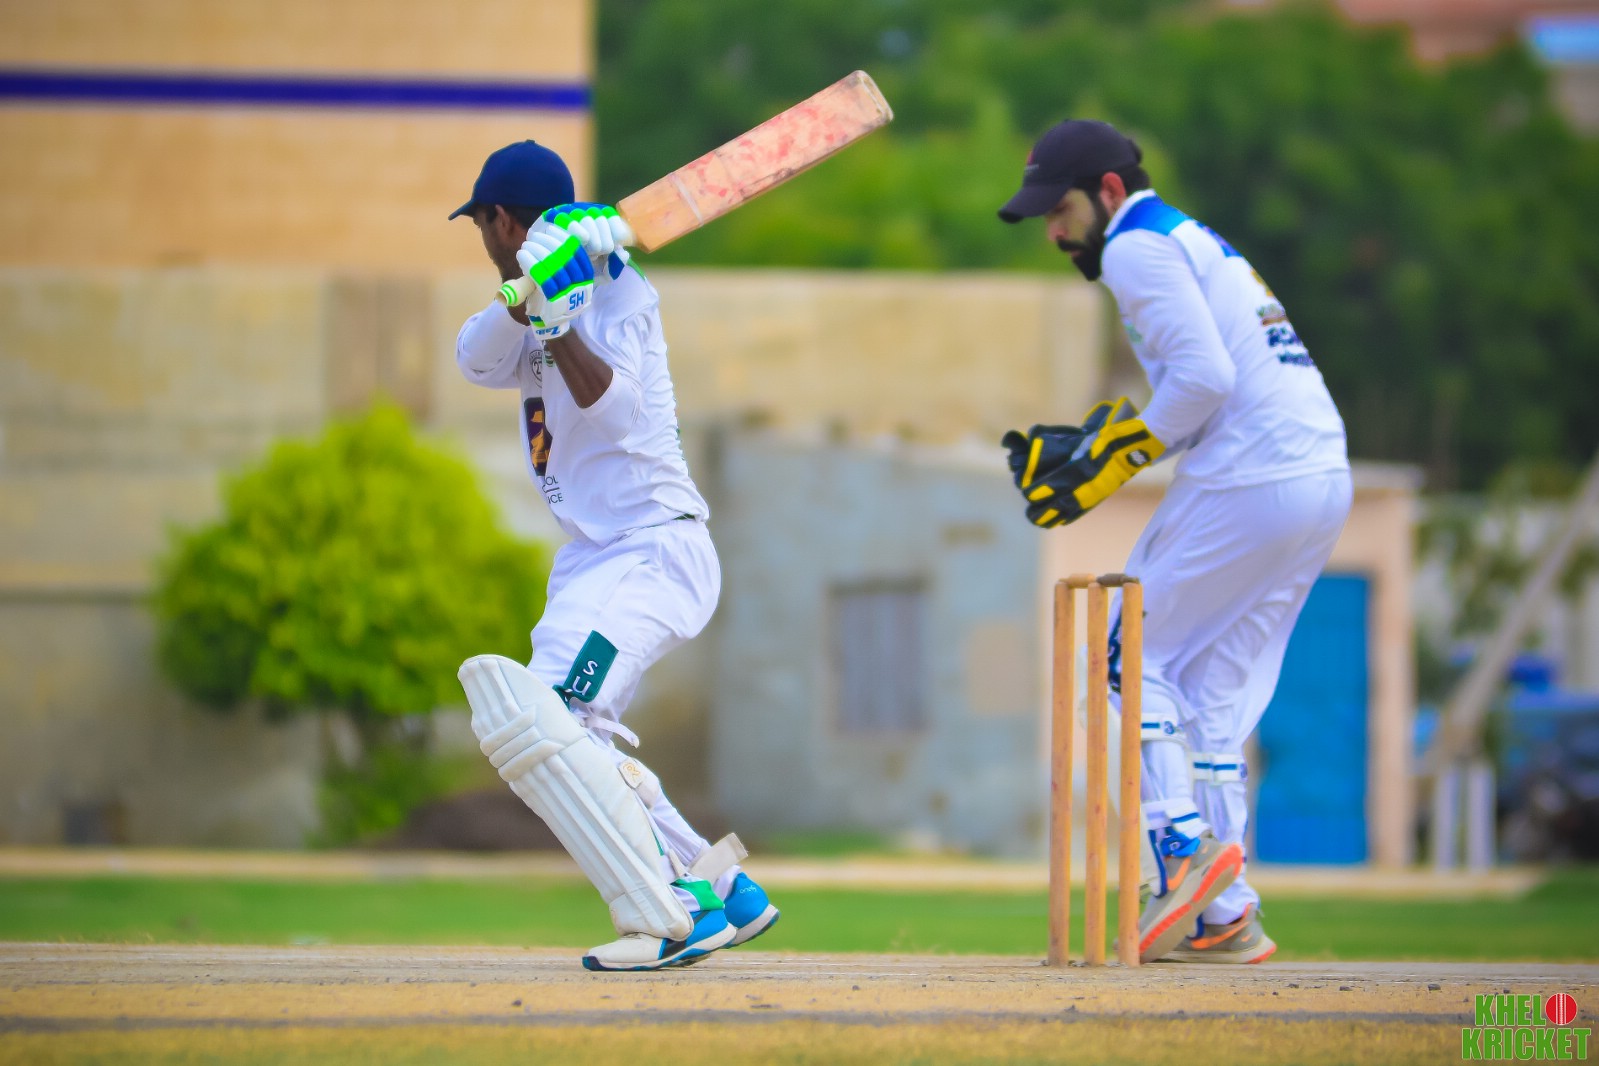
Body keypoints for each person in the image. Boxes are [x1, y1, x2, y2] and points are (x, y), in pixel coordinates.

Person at [997, 120, 1352, 964]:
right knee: (1209, 694)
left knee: (1122, 659)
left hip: (1252, 473)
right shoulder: (1188, 237)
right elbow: (1211, 384)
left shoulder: (1134, 246)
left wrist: (1114, 457)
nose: (1054, 233)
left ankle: (1182, 852)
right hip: (1316, 474)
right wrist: (1113, 443)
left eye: (1060, 211)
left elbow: (1204, 379)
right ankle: (1223, 913)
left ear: (1108, 191)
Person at [448, 141, 778, 971]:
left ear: (500, 219)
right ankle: (719, 884)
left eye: (481, 226)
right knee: (554, 733)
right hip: (596, 557)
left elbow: (621, 416)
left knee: (556, 719)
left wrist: (563, 322)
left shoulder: (618, 289)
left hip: (654, 547)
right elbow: (474, 360)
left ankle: (675, 911)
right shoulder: (534, 292)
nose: (483, 242)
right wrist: (531, 301)